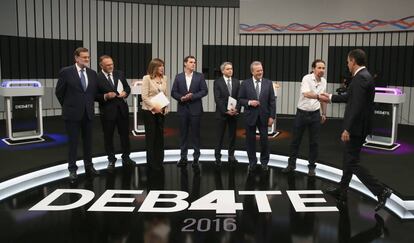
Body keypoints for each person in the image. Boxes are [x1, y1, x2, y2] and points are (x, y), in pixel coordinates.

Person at [319, 49, 392, 211]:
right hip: (361, 126)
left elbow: (356, 106)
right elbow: (350, 98)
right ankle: (342, 190)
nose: (347, 64)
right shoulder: (364, 76)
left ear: (353, 61)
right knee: (348, 158)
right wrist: (330, 97)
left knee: (352, 162)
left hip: (356, 128)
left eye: (348, 62)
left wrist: (347, 129)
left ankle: (381, 191)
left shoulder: (360, 78)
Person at [55, 47, 100, 182]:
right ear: (76, 58)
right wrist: (69, 106)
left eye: (88, 57)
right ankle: (72, 170)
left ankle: (89, 166)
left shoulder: (92, 74)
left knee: (88, 143)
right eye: (84, 57)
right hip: (72, 114)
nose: (87, 59)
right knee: (73, 143)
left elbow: (92, 93)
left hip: (88, 114)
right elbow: (59, 92)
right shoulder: (66, 72)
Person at [282, 59, 328, 176]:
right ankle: (291, 165)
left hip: (315, 114)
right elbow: (306, 94)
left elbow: (323, 99)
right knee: (295, 141)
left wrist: (324, 113)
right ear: (313, 69)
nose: (322, 70)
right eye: (319, 68)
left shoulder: (324, 81)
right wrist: (319, 96)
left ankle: (312, 167)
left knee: (314, 142)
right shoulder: (306, 78)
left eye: (323, 68)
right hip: (302, 113)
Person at [95, 55, 135, 172]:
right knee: (108, 137)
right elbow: (94, 95)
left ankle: (126, 157)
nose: (111, 66)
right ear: (101, 65)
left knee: (124, 136)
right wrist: (105, 96)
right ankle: (111, 160)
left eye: (112, 64)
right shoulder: (97, 77)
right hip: (107, 112)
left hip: (122, 110)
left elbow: (127, 87)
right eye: (108, 65)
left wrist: (125, 93)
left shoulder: (120, 74)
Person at [238, 61, 276, 173]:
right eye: (258, 71)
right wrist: (249, 102)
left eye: (261, 70)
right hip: (250, 116)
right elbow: (240, 99)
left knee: (265, 141)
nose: (260, 72)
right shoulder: (245, 83)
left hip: (264, 117)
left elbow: (272, 102)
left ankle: (264, 163)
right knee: (250, 141)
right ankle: (252, 162)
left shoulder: (268, 83)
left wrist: (271, 117)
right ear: (252, 71)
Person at [171, 55, 208, 169]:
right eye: (191, 62)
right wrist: (181, 98)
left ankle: (196, 158)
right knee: (183, 134)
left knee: (195, 135)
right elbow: (173, 92)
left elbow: (204, 91)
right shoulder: (179, 77)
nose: (193, 64)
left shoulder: (199, 76)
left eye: (194, 62)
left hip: (195, 109)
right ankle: (183, 157)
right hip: (183, 109)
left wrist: (192, 96)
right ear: (185, 63)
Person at [141, 58, 169, 171]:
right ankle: (151, 163)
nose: (162, 68)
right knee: (151, 138)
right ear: (154, 68)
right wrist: (154, 107)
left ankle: (159, 160)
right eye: (159, 66)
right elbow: (144, 96)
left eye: (163, 66)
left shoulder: (165, 78)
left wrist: (164, 108)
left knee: (160, 138)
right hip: (149, 112)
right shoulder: (147, 78)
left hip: (161, 112)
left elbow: (166, 95)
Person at [213, 62, 240, 166]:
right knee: (219, 136)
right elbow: (217, 99)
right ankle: (217, 157)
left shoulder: (237, 82)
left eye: (231, 69)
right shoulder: (217, 82)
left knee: (232, 136)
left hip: (234, 114)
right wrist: (225, 110)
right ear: (223, 71)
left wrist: (236, 109)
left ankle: (231, 155)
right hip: (222, 113)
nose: (230, 71)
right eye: (228, 69)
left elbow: (239, 97)